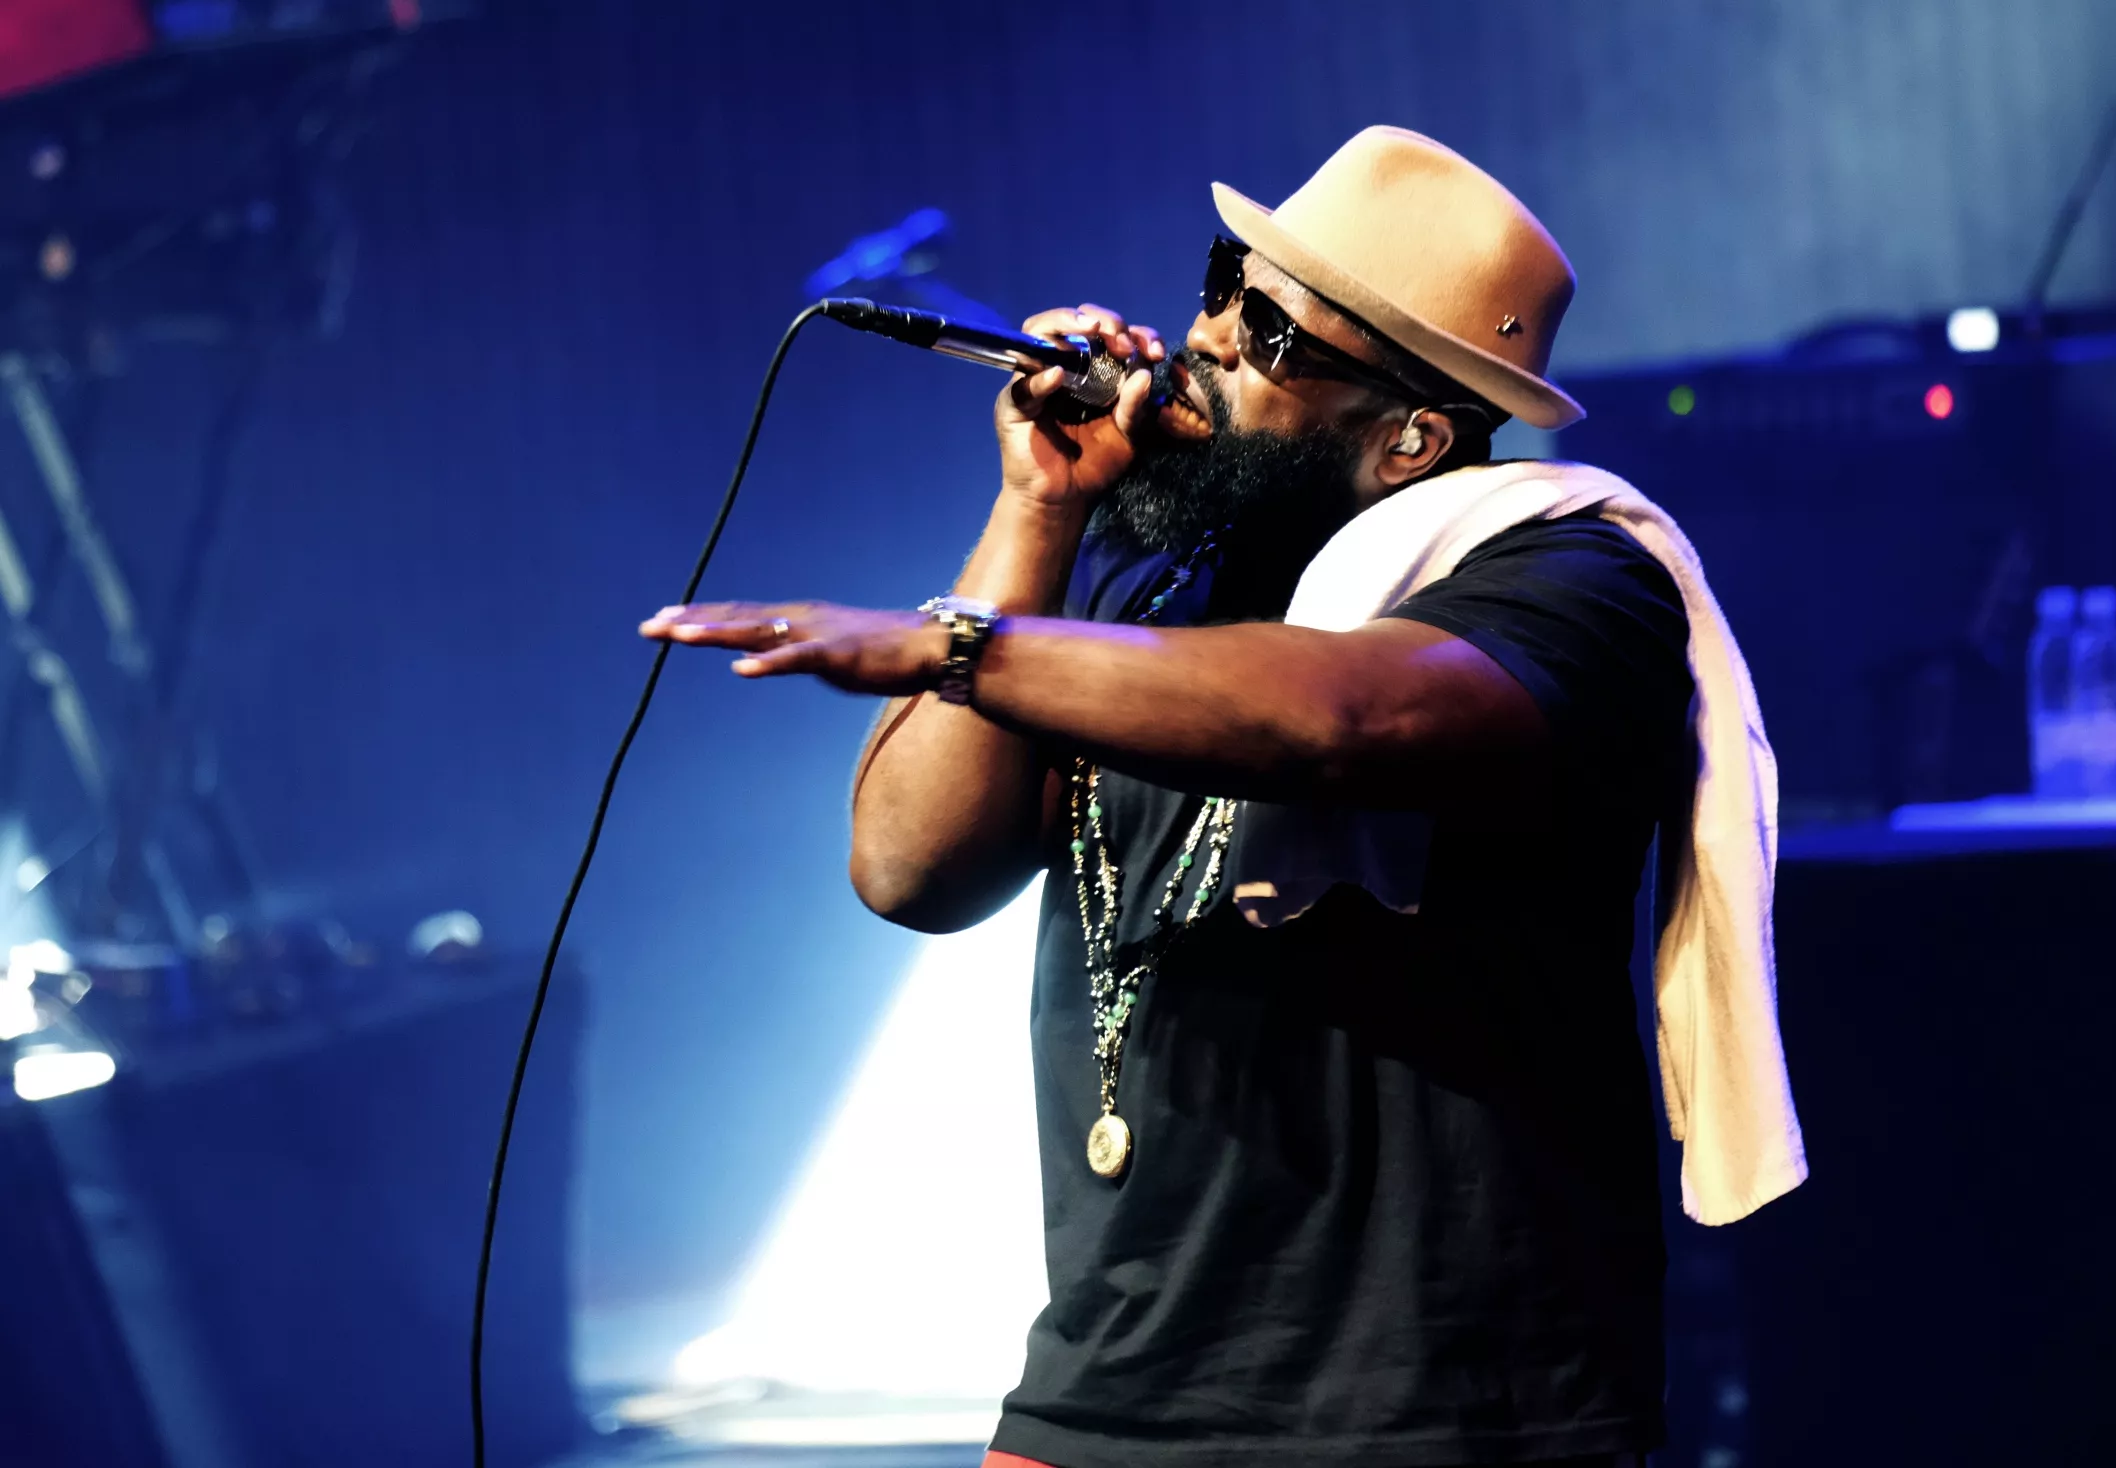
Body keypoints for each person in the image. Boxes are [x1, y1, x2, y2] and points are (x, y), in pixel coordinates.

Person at [642, 126, 1802, 1468]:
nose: (1205, 339)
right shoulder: (1137, 580)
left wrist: (958, 649)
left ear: (1413, 436)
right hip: (1108, 1388)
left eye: (1271, 333)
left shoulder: (1569, 574)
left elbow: (1342, 716)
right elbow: (912, 869)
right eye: (1219, 285)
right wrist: (1037, 514)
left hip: (1442, 1412)